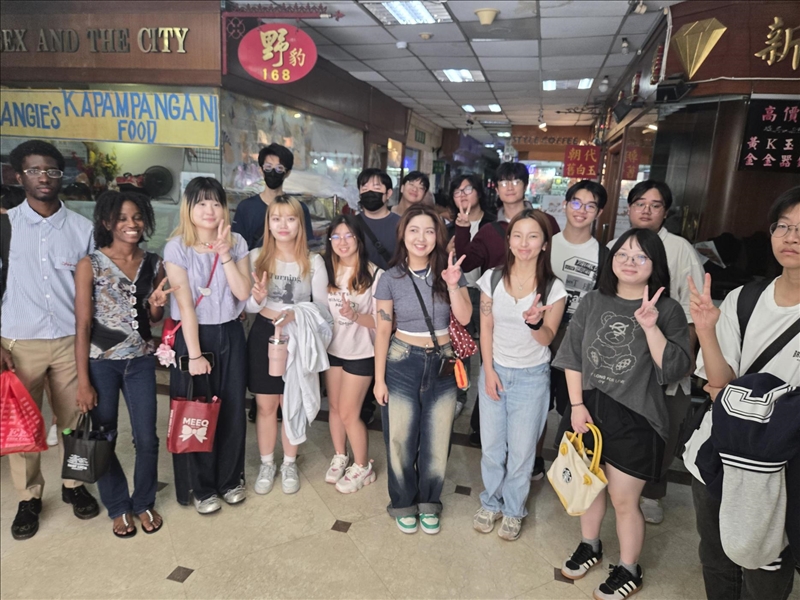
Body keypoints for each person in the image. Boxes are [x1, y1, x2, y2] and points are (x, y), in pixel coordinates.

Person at [553, 228, 691, 599]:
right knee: (589, 486)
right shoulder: (593, 301)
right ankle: (590, 545)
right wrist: (576, 405)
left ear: (654, 264)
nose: (630, 262)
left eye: (640, 256)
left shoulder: (668, 310)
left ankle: (630, 568)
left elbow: (675, 369)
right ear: (611, 261)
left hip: (637, 416)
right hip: (588, 408)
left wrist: (650, 327)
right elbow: (572, 357)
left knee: (624, 500)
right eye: (622, 255)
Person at [687, 187, 800, 600]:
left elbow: (728, 394)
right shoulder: (745, 299)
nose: (791, 237)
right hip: (718, 454)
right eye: (783, 226)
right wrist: (705, 331)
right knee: (716, 557)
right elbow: (719, 383)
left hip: (782, 469)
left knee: (765, 570)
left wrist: (734, 398)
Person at [1, 140, 100, 541]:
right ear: (19, 176)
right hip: (18, 343)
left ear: (61, 176)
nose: (44, 177)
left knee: (74, 421)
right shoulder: (5, 226)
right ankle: (29, 497)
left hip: (68, 342)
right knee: (23, 425)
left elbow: (94, 291)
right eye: (34, 170)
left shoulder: (81, 229)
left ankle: (74, 485)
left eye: (51, 171)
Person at [74, 191, 171, 537]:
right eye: (122, 218)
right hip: (101, 364)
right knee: (104, 437)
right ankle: (117, 505)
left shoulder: (154, 262)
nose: (132, 224)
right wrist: (83, 381)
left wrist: (157, 303)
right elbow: (83, 325)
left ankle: (143, 502)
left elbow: (154, 318)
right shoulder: (90, 264)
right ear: (106, 222)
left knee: (147, 438)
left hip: (140, 362)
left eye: (137, 217)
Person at [608, 180, 704, 524]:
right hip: (621, 361)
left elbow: (692, 314)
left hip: (664, 357)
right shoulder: (614, 247)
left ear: (666, 212)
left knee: (662, 427)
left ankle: (652, 493)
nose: (646, 210)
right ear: (629, 209)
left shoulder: (680, 249)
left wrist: (680, 363)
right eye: (640, 203)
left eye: (656, 205)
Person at [373, 204, 472, 535]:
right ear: (403, 234)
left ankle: (429, 501)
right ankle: (403, 502)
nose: (421, 238)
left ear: (437, 236)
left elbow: (466, 317)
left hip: (443, 360)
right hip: (401, 360)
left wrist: (454, 284)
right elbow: (382, 330)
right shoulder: (390, 278)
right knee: (400, 437)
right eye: (414, 230)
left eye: (429, 231)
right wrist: (378, 380)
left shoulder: (451, 272)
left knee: (438, 437)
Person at [473, 209, 566, 541]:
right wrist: (488, 371)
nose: (524, 243)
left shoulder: (553, 288)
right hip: (494, 370)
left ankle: (513, 510)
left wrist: (535, 323)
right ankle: (490, 502)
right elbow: (485, 328)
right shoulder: (492, 279)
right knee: (492, 447)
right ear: (509, 241)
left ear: (545, 244)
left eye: (533, 236)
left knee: (523, 452)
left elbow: (548, 338)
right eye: (518, 235)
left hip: (531, 378)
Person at [164, 177, 253, 514]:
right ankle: (201, 488)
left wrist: (225, 254)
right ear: (189, 208)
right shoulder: (177, 247)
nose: (209, 209)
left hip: (230, 333)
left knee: (232, 410)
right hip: (194, 337)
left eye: (216, 202)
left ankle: (230, 480)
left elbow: (242, 293)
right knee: (195, 412)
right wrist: (195, 355)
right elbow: (186, 306)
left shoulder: (237, 242)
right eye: (201, 203)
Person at [454, 162, 559, 447]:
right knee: (492, 376)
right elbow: (467, 262)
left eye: (515, 181)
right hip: (498, 315)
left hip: (534, 311)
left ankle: (530, 452)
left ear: (526, 185)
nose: (509, 187)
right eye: (503, 182)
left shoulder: (546, 222)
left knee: (532, 389)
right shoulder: (490, 229)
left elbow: (551, 263)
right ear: (496, 189)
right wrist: (462, 229)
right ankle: (486, 434)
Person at [246, 195, 329, 496]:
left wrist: (297, 314)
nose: (283, 225)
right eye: (276, 218)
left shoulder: (313, 261)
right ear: (268, 223)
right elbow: (247, 307)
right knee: (265, 405)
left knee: (291, 402)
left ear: (300, 224)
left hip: (298, 337)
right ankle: (267, 463)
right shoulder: (256, 256)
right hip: (264, 335)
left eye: (290, 218)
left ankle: (290, 463)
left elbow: (323, 311)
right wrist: (257, 297)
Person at [546, 180, 609, 477]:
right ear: (565, 204)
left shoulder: (604, 255)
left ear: (599, 212)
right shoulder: (545, 244)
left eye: (590, 206)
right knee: (535, 404)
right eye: (576, 203)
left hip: (579, 344)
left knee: (571, 406)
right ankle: (533, 464)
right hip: (541, 337)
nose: (581, 210)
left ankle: (569, 473)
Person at [322, 214, 382, 493]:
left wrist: (355, 315)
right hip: (333, 350)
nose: (342, 242)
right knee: (334, 408)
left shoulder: (375, 275)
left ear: (359, 239)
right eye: (336, 236)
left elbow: (382, 322)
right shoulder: (326, 271)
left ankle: (362, 465)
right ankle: (340, 455)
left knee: (349, 413)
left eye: (349, 236)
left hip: (361, 352)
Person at [447, 175, 495, 418]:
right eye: (457, 191)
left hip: (488, 294)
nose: (462, 195)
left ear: (479, 192)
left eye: (468, 189)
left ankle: (487, 401)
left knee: (490, 347)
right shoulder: (447, 228)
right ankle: (460, 395)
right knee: (459, 345)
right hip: (460, 293)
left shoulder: (493, 225)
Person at [231, 142, 314, 251]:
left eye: (279, 168)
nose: (273, 172)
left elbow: (306, 246)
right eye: (268, 167)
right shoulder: (245, 208)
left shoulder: (299, 208)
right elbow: (237, 248)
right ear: (261, 170)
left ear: (287, 173)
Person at [355, 168, 399, 272]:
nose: (370, 192)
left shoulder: (401, 224)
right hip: (360, 281)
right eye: (365, 189)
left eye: (376, 188)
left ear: (388, 193)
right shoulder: (352, 224)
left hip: (392, 280)